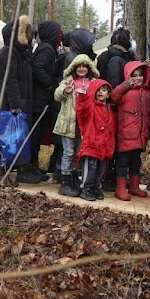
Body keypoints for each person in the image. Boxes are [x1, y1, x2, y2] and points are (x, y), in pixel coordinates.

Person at [0, 16, 40, 184]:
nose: (32, 37)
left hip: (7, 103)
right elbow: (11, 79)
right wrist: (16, 105)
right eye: (28, 33)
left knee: (2, 139)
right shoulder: (9, 52)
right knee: (3, 140)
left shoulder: (20, 53)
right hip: (5, 104)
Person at [53, 54, 99, 197]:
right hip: (68, 123)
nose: (81, 69)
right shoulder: (69, 81)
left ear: (89, 68)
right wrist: (65, 91)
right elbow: (57, 94)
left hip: (84, 124)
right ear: (73, 67)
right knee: (68, 152)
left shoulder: (93, 82)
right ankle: (65, 181)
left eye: (84, 66)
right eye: (78, 66)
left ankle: (72, 176)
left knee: (78, 152)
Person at [110, 61, 150, 201]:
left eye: (140, 75)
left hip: (140, 136)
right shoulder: (125, 92)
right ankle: (120, 188)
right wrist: (126, 85)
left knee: (136, 162)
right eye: (134, 75)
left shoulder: (148, 92)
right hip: (126, 136)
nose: (138, 78)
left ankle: (134, 186)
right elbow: (113, 96)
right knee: (122, 163)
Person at [33, 21, 64, 181]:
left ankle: (33, 166)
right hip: (38, 99)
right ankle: (29, 168)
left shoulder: (48, 48)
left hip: (41, 98)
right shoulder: (46, 49)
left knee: (38, 136)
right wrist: (50, 83)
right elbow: (37, 67)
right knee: (35, 135)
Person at [76, 77, 116, 201]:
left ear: (108, 94)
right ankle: (86, 188)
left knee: (101, 169)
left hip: (105, 145)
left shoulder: (111, 109)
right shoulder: (91, 106)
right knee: (91, 168)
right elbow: (82, 110)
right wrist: (82, 98)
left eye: (104, 90)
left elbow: (112, 127)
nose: (100, 92)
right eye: (98, 90)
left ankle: (96, 187)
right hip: (92, 143)